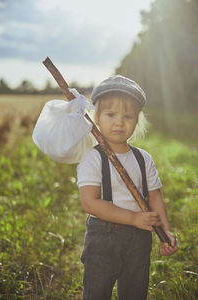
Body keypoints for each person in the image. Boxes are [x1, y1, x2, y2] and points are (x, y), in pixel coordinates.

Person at [77, 75, 178, 300]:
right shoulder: (92, 159)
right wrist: (133, 218)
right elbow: (90, 203)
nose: (119, 122)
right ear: (97, 118)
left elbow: (155, 196)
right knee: (97, 291)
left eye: (128, 116)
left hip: (139, 240)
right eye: (111, 114)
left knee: (135, 292)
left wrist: (165, 230)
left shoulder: (143, 159)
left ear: (137, 120)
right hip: (103, 239)